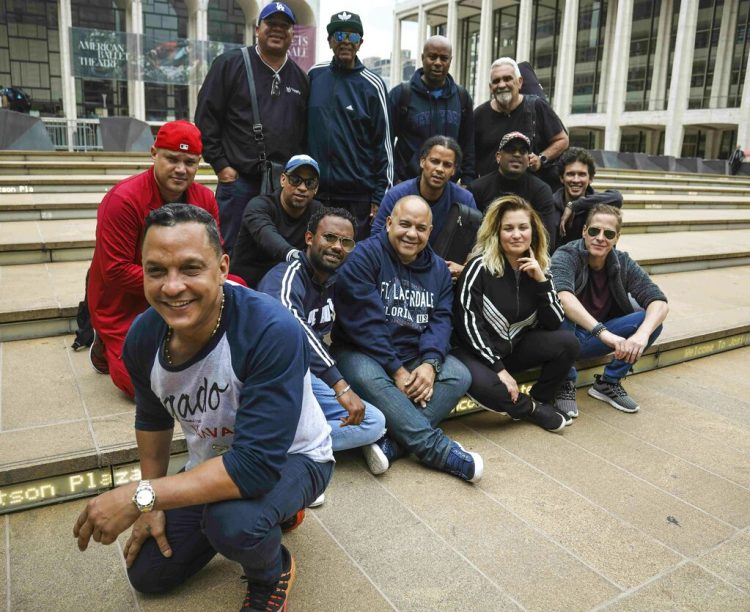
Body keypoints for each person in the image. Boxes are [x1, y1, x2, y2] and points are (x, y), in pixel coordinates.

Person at [73, 204, 334, 611]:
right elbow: (153, 417)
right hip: (215, 460)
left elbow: (254, 467)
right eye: (156, 271)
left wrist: (142, 496)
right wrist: (151, 505)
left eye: (191, 268)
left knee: (234, 524)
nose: (172, 287)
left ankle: (273, 570)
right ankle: (276, 513)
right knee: (148, 574)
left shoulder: (270, 330)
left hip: (292, 457)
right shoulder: (144, 336)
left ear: (222, 267)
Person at [332, 195, 483, 483]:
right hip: (361, 352)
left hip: (413, 354)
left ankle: (394, 444)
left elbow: (441, 319)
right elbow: (366, 324)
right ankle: (440, 451)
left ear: (430, 231)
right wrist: (396, 370)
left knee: (458, 375)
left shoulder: (438, 269)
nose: (412, 234)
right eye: (404, 224)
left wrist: (430, 363)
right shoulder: (364, 256)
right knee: (365, 375)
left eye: (421, 228)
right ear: (388, 223)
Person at [87, 120, 220, 399]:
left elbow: (213, 256)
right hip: (125, 303)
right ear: (153, 152)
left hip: (184, 294)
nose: (181, 169)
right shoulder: (123, 200)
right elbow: (116, 270)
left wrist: (189, 286)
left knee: (235, 285)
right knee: (142, 385)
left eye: (190, 162)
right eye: (172, 158)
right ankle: (104, 342)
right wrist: (178, 284)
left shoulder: (205, 199)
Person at [258, 207, 390, 476]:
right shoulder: (286, 276)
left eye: (346, 242)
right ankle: (282, 453)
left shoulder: (335, 279)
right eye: (329, 237)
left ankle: (291, 451)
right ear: (309, 238)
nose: (337, 247)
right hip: (271, 376)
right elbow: (293, 329)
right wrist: (340, 385)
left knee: (373, 422)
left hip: (309, 374)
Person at [452, 195, 578, 432]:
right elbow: (468, 326)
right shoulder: (478, 268)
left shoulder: (539, 268)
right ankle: (531, 409)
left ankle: (541, 398)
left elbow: (554, 322)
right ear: (497, 233)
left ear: (533, 231)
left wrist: (541, 282)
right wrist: (499, 369)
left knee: (568, 342)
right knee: (489, 388)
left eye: (523, 227)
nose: (516, 234)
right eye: (508, 228)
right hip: (474, 353)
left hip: (512, 348)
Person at [195, 2, 308, 256]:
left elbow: (303, 133)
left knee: (271, 252)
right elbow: (206, 118)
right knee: (228, 250)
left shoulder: (300, 78)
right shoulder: (229, 64)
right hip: (239, 182)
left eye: (285, 26)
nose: (278, 30)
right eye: (271, 24)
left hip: (281, 184)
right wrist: (221, 166)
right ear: (258, 29)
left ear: (292, 34)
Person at [550, 204, 669, 416]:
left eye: (609, 233)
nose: (600, 238)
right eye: (594, 231)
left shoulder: (622, 262)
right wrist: (603, 333)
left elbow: (658, 301)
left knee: (651, 321)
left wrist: (641, 335)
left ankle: (608, 382)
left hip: (597, 337)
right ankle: (564, 382)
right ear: (584, 231)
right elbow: (563, 297)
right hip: (566, 336)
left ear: (617, 238)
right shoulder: (566, 254)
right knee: (560, 309)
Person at [307, 10, 393, 241]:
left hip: (358, 198)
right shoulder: (314, 76)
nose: (346, 41)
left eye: (353, 37)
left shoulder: (373, 85)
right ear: (329, 41)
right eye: (340, 35)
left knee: (352, 259)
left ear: (360, 43)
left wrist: (379, 198)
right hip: (316, 194)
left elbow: (384, 147)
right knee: (317, 255)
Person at [371, 136, 478, 280]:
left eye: (447, 165)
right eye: (434, 161)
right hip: (399, 269)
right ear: (422, 162)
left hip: (445, 275)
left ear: (454, 170)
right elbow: (376, 236)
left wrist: (465, 268)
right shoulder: (397, 195)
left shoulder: (465, 200)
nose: (439, 169)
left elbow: (478, 245)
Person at [389, 35, 475, 184]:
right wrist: (394, 180)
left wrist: (467, 180)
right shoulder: (401, 95)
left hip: (447, 185)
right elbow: (385, 144)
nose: (438, 63)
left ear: (450, 61)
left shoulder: (461, 97)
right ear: (423, 58)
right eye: (432, 57)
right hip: (408, 184)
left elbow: (468, 144)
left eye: (443, 58)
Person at [474, 57, 568, 190]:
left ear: (519, 82)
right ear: (490, 87)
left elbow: (562, 140)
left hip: (531, 195)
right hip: (491, 196)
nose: (501, 85)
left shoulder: (536, 107)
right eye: (496, 81)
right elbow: (471, 156)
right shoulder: (479, 115)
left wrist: (541, 159)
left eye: (507, 79)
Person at [231, 154, 322, 288]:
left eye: (309, 183)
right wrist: (293, 255)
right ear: (283, 180)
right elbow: (266, 234)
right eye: (295, 179)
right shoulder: (258, 206)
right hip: (246, 283)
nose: (302, 188)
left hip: (286, 282)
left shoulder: (318, 212)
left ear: (316, 188)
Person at [469, 131, 556, 248]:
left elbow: (548, 239)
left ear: (529, 158)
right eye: (511, 150)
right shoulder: (477, 188)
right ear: (498, 156)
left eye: (523, 151)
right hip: (485, 255)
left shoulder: (541, 190)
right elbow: (469, 233)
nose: (517, 154)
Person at [555, 147, 623, 248]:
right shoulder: (550, 204)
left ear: (590, 179)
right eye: (570, 174)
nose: (576, 180)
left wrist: (573, 205)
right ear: (561, 178)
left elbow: (617, 197)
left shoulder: (598, 202)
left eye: (582, 174)